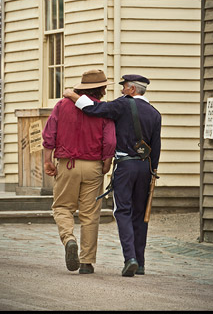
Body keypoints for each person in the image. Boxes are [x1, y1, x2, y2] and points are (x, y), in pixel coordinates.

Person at [64, 74, 161, 277]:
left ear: (132, 90)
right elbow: (156, 148)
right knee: (140, 214)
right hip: (146, 167)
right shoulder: (155, 113)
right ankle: (140, 262)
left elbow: (95, 109)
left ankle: (130, 258)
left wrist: (73, 96)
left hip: (125, 166)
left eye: (124, 87)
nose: (122, 90)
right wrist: (153, 172)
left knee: (122, 211)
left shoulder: (124, 105)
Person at [42, 69, 116, 274]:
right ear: (100, 89)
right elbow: (110, 140)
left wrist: (48, 160)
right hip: (93, 166)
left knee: (62, 207)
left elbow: (49, 134)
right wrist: (107, 162)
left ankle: (69, 239)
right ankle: (86, 262)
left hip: (67, 164)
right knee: (90, 214)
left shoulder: (62, 105)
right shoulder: (103, 110)